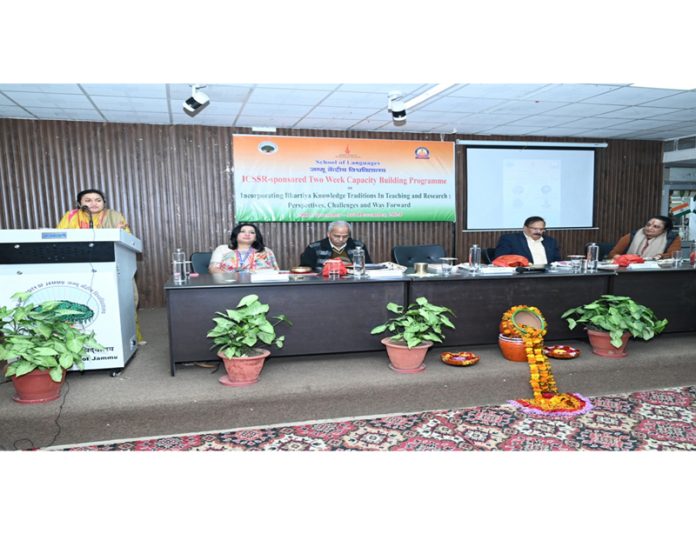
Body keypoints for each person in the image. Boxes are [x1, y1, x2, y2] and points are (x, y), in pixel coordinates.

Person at [300, 221, 372, 273]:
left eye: (345, 236)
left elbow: (368, 267)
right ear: (328, 234)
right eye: (337, 236)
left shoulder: (358, 246)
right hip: (324, 285)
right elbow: (305, 270)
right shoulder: (314, 248)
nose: (341, 239)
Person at [209, 223, 279, 273]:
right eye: (242, 231)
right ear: (236, 235)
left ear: (255, 238)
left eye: (252, 232)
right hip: (229, 285)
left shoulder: (266, 251)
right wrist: (232, 279)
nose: (247, 234)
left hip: (259, 285)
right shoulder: (223, 249)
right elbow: (213, 269)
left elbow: (276, 270)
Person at [493, 216, 561, 265]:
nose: (538, 232)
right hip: (523, 276)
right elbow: (501, 258)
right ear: (525, 228)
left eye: (541, 229)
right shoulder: (510, 240)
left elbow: (557, 261)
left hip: (548, 275)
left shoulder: (550, 241)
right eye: (534, 229)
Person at [608, 215, 681, 260]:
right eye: (648, 225)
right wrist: (623, 258)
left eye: (656, 227)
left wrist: (659, 257)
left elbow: (673, 255)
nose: (649, 228)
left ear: (664, 230)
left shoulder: (672, 237)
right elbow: (613, 254)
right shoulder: (633, 235)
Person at [57, 188, 130, 231]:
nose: (94, 203)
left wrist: (118, 233)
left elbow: (128, 239)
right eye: (88, 201)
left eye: (98, 200)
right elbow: (59, 236)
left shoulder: (114, 216)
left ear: (103, 203)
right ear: (79, 204)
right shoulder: (71, 215)